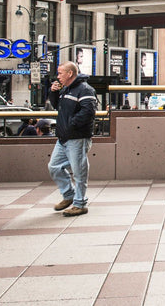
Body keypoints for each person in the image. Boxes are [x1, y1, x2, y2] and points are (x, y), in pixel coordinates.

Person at [48, 62, 96, 217]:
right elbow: (58, 107)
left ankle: (80, 203)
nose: (58, 76)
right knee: (54, 167)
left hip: (77, 137)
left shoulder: (85, 89)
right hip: (63, 137)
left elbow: (88, 112)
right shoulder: (66, 89)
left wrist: (71, 125)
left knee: (79, 171)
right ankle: (69, 195)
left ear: (70, 73)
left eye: (60, 73)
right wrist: (53, 93)